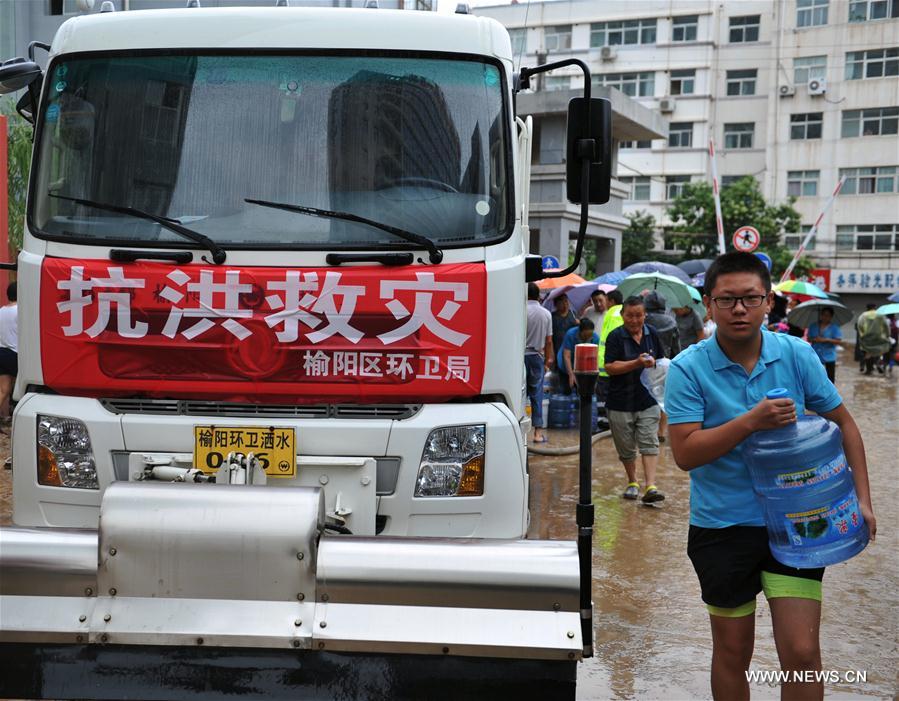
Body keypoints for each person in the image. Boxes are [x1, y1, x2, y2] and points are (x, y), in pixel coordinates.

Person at [665, 252, 876, 701]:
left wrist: (862, 500)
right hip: (722, 526)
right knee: (732, 653)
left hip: (801, 523)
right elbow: (684, 453)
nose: (739, 309)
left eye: (750, 298)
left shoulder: (796, 354)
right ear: (709, 304)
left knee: (802, 652)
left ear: (768, 302)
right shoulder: (687, 367)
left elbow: (845, 424)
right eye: (727, 300)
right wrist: (750, 422)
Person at [604, 296, 666, 504]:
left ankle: (651, 486)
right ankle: (633, 482)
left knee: (649, 442)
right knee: (626, 448)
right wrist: (636, 363)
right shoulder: (615, 336)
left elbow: (662, 361)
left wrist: (655, 364)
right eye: (630, 315)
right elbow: (609, 367)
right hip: (620, 401)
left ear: (645, 315)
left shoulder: (652, 334)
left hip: (647, 399)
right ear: (622, 315)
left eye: (638, 315)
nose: (634, 320)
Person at [643, 290, 680, 443]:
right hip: (666, 363)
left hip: (646, 362)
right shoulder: (671, 321)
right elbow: (676, 347)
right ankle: (662, 431)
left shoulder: (644, 319)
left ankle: (648, 430)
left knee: (647, 396)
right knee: (663, 397)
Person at [525, 283, 553, 443]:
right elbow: (548, 341)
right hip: (537, 357)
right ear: (538, 296)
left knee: (519, 395)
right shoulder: (546, 314)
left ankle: (518, 432)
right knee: (537, 395)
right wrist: (547, 361)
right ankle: (537, 433)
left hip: (519, 357)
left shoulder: (519, 311)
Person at [596, 289, 624, 411]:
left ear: (611, 301)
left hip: (608, 365)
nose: (605, 303)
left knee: (604, 399)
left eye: (606, 300)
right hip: (615, 364)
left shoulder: (614, 315)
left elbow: (613, 339)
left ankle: (604, 420)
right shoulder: (620, 312)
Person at [556, 318, 599, 394]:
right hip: (566, 365)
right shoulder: (570, 334)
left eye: (590, 335)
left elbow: (596, 359)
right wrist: (571, 375)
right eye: (585, 335)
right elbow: (567, 356)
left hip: (583, 367)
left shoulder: (595, 338)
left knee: (583, 392)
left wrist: (595, 378)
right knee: (568, 390)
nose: (587, 338)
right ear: (580, 331)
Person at [807, 307, 842, 384]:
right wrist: (815, 339)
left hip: (829, 355)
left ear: (831, 317)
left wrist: (826, 340)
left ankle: (830, 391)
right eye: (823, 315)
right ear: (821, 315)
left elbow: (838, 341)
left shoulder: (834, 328)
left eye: (827, 315)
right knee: (815, 376)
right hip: (815, 354)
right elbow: (809, 339)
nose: (825, 317)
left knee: (830, 378)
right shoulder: (813, 326)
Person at [0, 282, 18, 422]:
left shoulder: (1, 311)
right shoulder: (20, 311)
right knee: (21, 389)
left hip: (1, 352)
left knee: (3, 390)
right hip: (15, 353)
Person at [857, 303, 890, 375]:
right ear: (875, 307)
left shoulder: (863, 315)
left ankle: (869, 370)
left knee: (868, 352)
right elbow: (886, 326)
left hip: (867, 338)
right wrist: (887, 335)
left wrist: (862, 335)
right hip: (879, 337)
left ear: (867, 308)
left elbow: (859, 325)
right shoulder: (880, 315)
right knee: (878, 351)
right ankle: (877, 363)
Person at [551, 293, 578, 366]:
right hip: (557, 347)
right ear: (556, 304)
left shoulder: (573, 315)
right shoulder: (552, 317)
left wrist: (578, 324)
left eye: (566, 301)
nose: (565, 304)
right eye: (561, 302)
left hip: (570, 347)